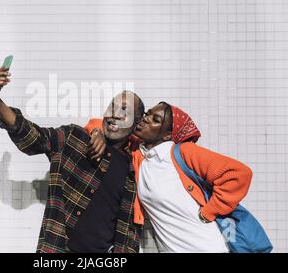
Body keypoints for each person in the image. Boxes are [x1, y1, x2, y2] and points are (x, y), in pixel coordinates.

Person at [0, 66, 145, 253]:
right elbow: (33, 136)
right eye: (112, 106)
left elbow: (127, 232)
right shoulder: (74, 138)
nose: (114, 114)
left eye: (124, 110)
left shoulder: (135, 167)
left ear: (137, 122)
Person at [85, 101, 253, 253]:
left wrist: (209, 212)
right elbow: (102, 124)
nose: (146, 119)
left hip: (206, 247)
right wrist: (96, 132)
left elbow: (238, 174)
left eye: (155, 120)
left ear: (167, 136)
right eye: (147, 114)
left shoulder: (183, 152)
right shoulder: (138, 153)